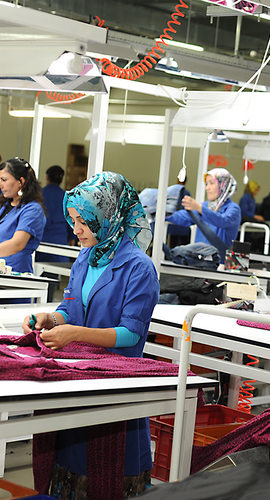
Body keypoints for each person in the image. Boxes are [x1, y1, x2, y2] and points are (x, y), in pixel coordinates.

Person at [22, 171, 159, 499]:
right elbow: (70, 309)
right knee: (70, 464)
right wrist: (48, 318)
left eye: (83, 221)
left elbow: (130, 334)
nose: (76, 230)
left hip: (116, 380)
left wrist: (74, 334)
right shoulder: (86, 256)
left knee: (107, 476)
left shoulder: (139, 268)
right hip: (80, 375)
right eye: (72, 220)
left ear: (107, 216)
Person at [165, 168, 241, 252]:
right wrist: (162, 213)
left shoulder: (233, 209)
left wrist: (199, 208)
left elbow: (222, 220)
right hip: (200, 260)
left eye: (211, 183)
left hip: (220, 262)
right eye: (206, 184)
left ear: (223, 185)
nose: (207, 188)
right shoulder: (205, 206)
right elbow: (184, 216)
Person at [0, 157, 46, 274]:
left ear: (21, 182)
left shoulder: (33, 210)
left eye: (4, 180)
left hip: (15, 273)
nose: (0, 185)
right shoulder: (5, 205)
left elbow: (17, 243)